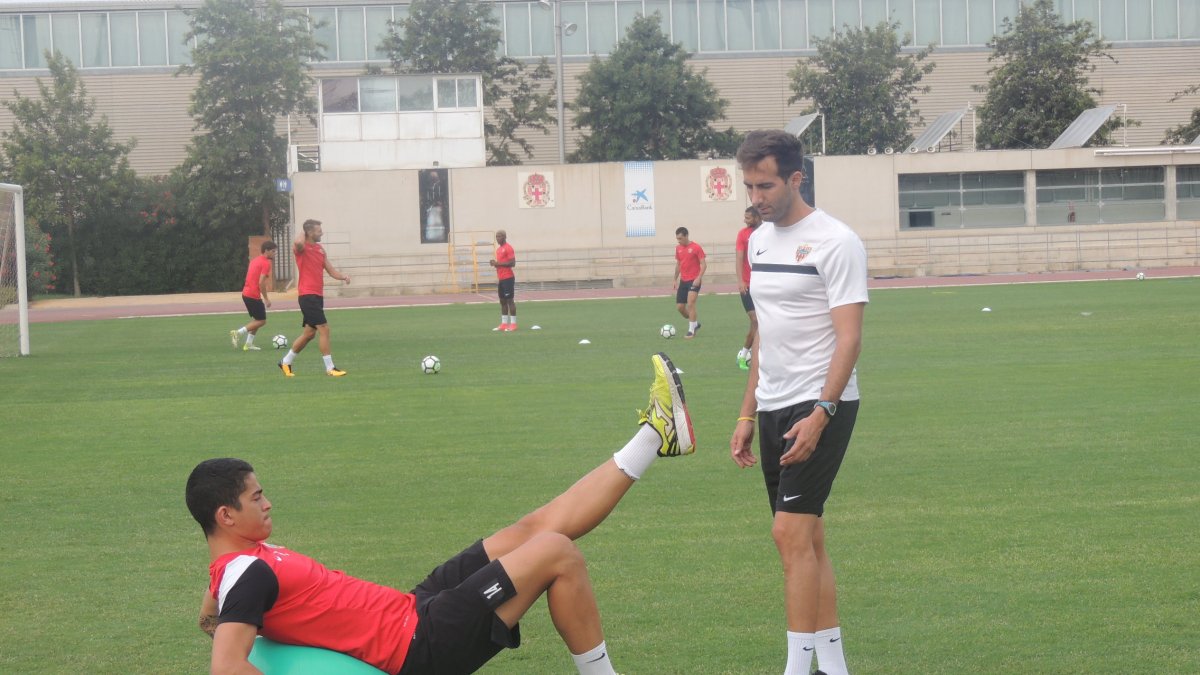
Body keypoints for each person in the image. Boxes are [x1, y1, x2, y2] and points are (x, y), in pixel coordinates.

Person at [187, 353, 696, 675]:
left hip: (413, 608)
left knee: (531, 530)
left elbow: (213, 611)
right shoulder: (247, 572)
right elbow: (227, 667)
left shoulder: (237, 568)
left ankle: (657, 435)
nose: (268, 501)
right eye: (256, 498)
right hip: (417, 647)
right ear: (225, 516)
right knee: (556, 553)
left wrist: (216, 615)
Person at [729, 130, 868, 675]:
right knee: (806, 535)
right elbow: (764, 331)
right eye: (749, 185)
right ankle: (833, 665)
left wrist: (821, 413)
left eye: (765, 185)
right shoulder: (757, 241)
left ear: (795, 178)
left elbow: (850, 338)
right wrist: (746, 411)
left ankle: (796, 667)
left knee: (787, 533)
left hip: (822, 403)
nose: (756, 196)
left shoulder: (837, 241)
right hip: (772, 403)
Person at [278, 219, 351, 378]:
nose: (322, 233)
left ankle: (285, 362)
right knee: (324, 329)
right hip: (307, 295)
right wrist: (304, 232)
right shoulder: (301, 248)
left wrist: (343, 276)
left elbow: (331, 270)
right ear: (309, 233)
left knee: (309, 334)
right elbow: (298, 241)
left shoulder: (320, 249)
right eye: (318, 231)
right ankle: (330, 368)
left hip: (317, 296)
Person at [230, 241, 277, 352]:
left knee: (257, 320)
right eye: (273, 251)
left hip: (246, 293)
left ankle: (248, 344)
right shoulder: (266, 263)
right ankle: (237, 333)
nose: (275, 254)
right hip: (252, 295)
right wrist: (266, 298)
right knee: (262, 321)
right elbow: (261, 283)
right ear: (266, 251)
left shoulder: (255, 260)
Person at [734, 206, 762, 370]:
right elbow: (739, 258)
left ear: (757, 218)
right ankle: (744, 355)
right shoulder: (743, 234)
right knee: (755, 320)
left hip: (763, 285)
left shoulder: (767, 231)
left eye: (748, 218)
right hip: (748, 285)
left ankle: (758, 356)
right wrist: (740, 281)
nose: (745, 220)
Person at [672, 227, 707, 339]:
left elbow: (703, 264)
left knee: (690, 303)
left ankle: (691, 330)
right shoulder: (678, 248)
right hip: (683, 280)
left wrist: (699, 277)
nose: (679, 241)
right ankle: (695, 323)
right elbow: (678, 264)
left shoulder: (696, 247)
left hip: (694, 280)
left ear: (686, 236)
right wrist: (674, 279)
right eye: (677, 239)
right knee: (680, 307)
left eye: (681, 238)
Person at [490, 229, 517, 332]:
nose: (498, 238)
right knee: (502, 301)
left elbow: (512, 263)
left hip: (508, 278)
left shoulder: (508, 248)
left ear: (505, 237)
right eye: (496, 236)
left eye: (500, 236)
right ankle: (504, 324)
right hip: (501, 279)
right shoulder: (498, 250)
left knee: (510, 301)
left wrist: (497, 264)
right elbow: (501, 264)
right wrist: (495, 264)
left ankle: (513, 324)